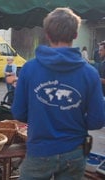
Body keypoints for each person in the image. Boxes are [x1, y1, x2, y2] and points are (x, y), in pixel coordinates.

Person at [11, 8, 105, 180]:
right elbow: (97, 120)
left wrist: (42, 116)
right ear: (75, 35)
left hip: (39, 150)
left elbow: (18, 112)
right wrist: (72, 118)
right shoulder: (90, 73)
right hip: (74, 151)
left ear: (47, 34)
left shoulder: (29, 69)